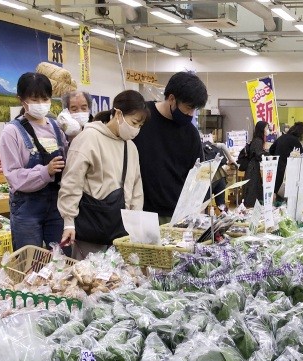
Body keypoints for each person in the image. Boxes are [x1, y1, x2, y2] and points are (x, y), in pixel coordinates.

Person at [57, 90, 147, 259]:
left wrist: (136, 223)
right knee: (87, 279)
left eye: (140, 126)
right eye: (134, 123)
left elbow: (136, 187)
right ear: (118, 114)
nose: (136, 130)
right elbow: (71, 183)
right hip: (92, 227)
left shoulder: (131, 147)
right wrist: (69, 222)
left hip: (122, 231)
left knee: (116, 280)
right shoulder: (88, 138)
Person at [0, 72, 68, 251]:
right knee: (30, 262)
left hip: (56, 205)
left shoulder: (56, 128)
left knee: (62, 259)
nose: (40, 104)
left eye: (45, 99)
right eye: (34, 99)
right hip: (27, 207)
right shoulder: (12, 132)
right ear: (21, 100)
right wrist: (46, 171)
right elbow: (13, 175)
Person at [132, 71, 208, 224]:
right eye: (188, 107)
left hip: (176, 214)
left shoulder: (191, 134)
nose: (190, 114)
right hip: (141, 210)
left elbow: (198, 176)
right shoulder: (141, 117)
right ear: (172, 99)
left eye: (195, 110)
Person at [269, 121, 303, 198]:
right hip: (287, 170)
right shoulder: (295, 141)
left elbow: (271, 150)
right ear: (300, 133)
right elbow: (301, 156)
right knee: (284, 192)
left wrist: (278, 155)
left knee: (276, 190)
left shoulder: (282, 137)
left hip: (276, 167)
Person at [242, 121, 269, 208]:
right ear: (262, 129)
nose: (268, 130)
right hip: (253, 168)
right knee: (252, 188)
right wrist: (269, 154)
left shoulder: (257, 139)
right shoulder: (258, 140)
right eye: (266, 128)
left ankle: (254, 207)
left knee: (255, 188)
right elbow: (259, 154)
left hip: (253, 167)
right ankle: (250, 207)